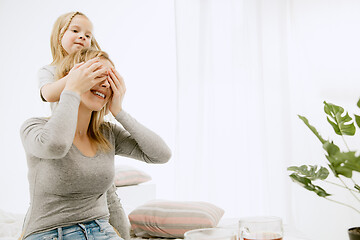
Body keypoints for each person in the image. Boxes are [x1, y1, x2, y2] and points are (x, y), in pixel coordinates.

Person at [20, 47, 172, 240]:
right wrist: (72, 89)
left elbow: (161, 154)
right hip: (51, 233)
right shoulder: (35, 128)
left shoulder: (107, 133)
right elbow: (56, 146)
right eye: (97, 74)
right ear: (72, 77)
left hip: (101, 230)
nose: (105, 84)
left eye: (111, 79)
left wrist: (119, 112)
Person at [36, 12, 131, 239]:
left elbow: (104, 103)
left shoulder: (95, 69)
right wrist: (76, 77)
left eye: (88, 35)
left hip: (91, 140)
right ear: (59, 36)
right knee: (48, 191)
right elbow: (48, 94)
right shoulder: (50, 71)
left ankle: (125, 234)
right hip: (65, 143)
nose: (82, 37)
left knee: (109, 193)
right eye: (75, 31)